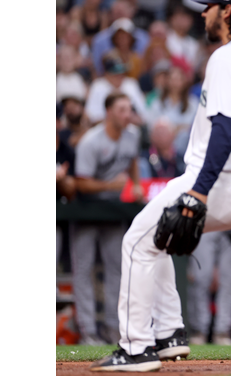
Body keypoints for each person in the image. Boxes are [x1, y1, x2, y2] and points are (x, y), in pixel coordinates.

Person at [90, 0, 231, 371]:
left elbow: (225, 131)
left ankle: (135, 349)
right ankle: (170, 335)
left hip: (220, 180)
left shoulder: (229, 57)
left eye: (210, 6)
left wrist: (199, 191)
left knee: (135, 242)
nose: (203, 12)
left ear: (226, 11)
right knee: (155, 239)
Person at [73, 93, 143, 346]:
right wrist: (111, 184)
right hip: (87, 212)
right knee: (84, 270)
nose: (127, 114)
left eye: (129, 109)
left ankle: (114, 327)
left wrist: (135, 184)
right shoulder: (91, 141)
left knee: (117, 269)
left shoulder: (132, 136)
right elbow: (80, 183)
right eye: (122, 109)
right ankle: (88, 330)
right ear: (109, 112)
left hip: (114, 212)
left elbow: (132, 160)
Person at [85, 52, 148, 125]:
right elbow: (92, 118)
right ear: (107, 74)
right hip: (106, 130)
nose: (120, 76)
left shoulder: (131, 84)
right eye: (116, 73)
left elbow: (143, 115)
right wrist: (117, 120)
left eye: (122, 72)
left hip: (131, 127)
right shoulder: (98, 86)